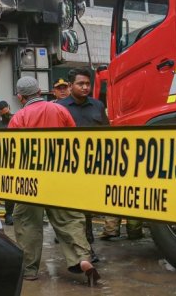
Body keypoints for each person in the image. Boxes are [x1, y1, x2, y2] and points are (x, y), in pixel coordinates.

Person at [9, 76, 99, 285]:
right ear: (40, 92)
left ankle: (30, 270)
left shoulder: (19, 118)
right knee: (69, 220)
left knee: (27, 223)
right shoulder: (59, 110)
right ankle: (83, 259)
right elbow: (73, 140)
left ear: (21, 97)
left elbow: (12, 152)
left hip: (29, 179)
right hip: (60, 175)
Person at [56, 69, 141, 240]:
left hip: (95, 162)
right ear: (71, 86)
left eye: (88, 84)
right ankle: (75, 236)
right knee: (71, 203)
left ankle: (89, 237)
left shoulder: (97, 105)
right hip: (70, 163)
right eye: (81, 84)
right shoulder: (59, 107)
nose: (85, 87)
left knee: (89, 201)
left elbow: (106, 132)